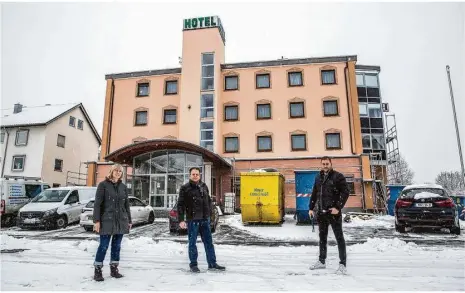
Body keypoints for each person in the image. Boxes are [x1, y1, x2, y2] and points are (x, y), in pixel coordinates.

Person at [177, 167, 226, 273]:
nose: (195, 176)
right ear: (190, 175)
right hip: (192, 220)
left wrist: (210, 215)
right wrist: (181, 220)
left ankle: (212, 263)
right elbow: (180, 205)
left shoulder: (204, 186)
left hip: (205, 219)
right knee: (192, 243)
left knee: (209, 242)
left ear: (200, 175)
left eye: (197, 174)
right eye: (193, 174)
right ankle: (193, 265)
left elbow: (208, 201)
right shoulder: (185, 188)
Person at [308, 156, 349, 274]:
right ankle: (321, 261)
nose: (325, 166)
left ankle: (343, 264)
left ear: (331, 164)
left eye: (327, 164)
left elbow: (345, 192)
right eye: (323, 164)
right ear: (321, 164)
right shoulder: (318, 177)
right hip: (321, 213)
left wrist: (338, 207)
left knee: (339, 238)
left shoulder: (338, 176)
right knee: (322, 238)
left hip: (333, 212)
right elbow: (315, 193)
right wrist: (311, 208)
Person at [92, 163, 132, 282]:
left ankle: (114, 269)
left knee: (117, 246)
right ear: (111, 171)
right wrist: (96, 221)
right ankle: (98, 270)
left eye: (120, 171)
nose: (118, 173)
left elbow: (126, 205)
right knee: (103, 246)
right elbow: (97, 204)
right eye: (116, 171)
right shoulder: (103, 185)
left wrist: (129, 220)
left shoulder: (123, 187)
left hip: (121, 220)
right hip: (106, 221)